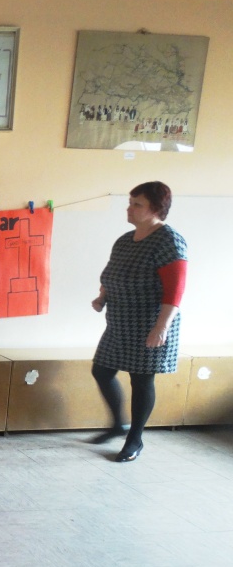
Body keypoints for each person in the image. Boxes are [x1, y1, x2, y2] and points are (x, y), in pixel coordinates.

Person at [90, 181, 188, 462]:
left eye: (137, 204)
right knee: (102, 370)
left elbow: (175, 291)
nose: (129, 209)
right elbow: (112, 275)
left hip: (150, 323)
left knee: (141, 381)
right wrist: (102, 297)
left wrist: (161, 327)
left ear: (156, 209)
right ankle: (117, 425)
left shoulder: (169, 240)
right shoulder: (124, 240)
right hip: (119, 321)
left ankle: (135, 440)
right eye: (130, 202)